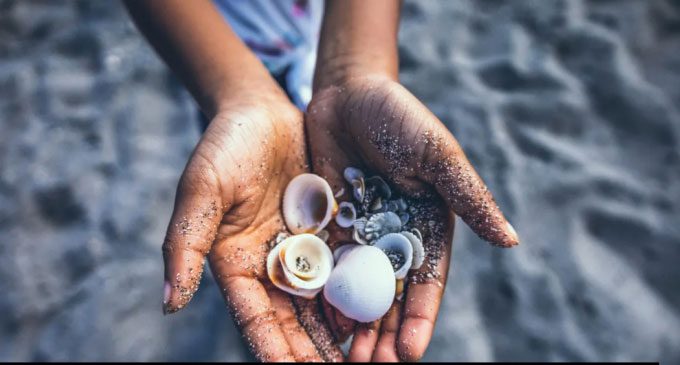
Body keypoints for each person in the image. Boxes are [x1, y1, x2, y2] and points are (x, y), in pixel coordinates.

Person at [124, 0, 519, 362]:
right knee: (232, 215)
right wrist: (239, 93)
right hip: (215, 64)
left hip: (325, 42)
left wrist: (352, 71)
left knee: (240, 231)